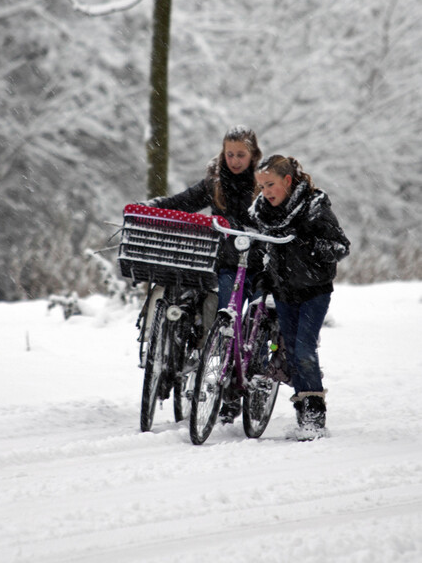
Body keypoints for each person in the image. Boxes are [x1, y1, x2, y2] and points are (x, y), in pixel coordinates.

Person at [147, 125, 263, 423]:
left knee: (244, 317)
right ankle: (206, 351)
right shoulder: (215, 181)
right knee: (216, 308)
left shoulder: (261, 184)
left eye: (241, 155)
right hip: (223, 261)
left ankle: (236, 379)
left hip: (255, 262)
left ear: (253, 155)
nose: (235, 160)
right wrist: (157, 206)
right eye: (230, 154)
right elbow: (186, 201)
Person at [249, 154, 350, 440]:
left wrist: (310, 246)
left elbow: (341, 247)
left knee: (305, 349)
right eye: (261, 187)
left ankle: (315, 418)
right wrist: (265, 272)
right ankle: (302, 414)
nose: (266, 192)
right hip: (284, 291)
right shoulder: (263, 212)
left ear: (288, 181)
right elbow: (264, 247)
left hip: (313, 291)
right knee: (290, 350)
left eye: (271, 185)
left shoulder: (314, 208)